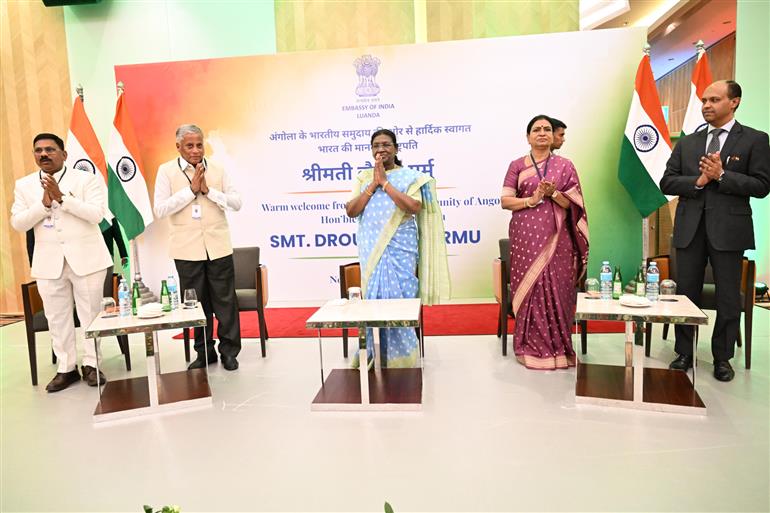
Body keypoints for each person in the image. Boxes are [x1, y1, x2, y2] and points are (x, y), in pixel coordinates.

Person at [660, 80, 770, 382]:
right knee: (685, 293)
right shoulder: (688, 143)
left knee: (728, 298)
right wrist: (698, 182)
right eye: (704, 100)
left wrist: (721, 175)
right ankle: (685, 352)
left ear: (734, 102)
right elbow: (667, 182)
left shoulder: (755, 140)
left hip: (729, 231)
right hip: (690, 229)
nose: (706, 105)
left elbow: (762, 186)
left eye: (714, 100)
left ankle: (722, 358)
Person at [11, 133, 113, 391]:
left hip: (88, 259)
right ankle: (66, 368)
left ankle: (92, 364)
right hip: (48, 263)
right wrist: (43, 205)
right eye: (38, 150)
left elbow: (96, 215)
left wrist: (62, 198)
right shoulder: (24, 185)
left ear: (64, 154)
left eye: (50, 149)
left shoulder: (86, 179)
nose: (43, 154)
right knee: (57, 317)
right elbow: (19, 223)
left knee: (90, 314)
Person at [345, 129, 449, 368]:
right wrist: (373, 184)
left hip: (401, 247)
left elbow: (413, 206)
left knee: (400, 298)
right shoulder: (362, 178)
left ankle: (401, 359)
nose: (380, 149)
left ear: (396, 148)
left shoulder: (411, 176)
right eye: (376, 145)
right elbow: (351, 210)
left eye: (386, 145)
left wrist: (385, 183)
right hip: (372, 248)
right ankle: (373, 353)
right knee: (372, 301)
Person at [500, 115, 589, 370]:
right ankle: (529, 347)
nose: (542, 133)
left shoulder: (566, 165)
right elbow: (506, 201)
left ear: (553, 136)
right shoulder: (517, 165)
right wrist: (532, 199)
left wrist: (553, 194)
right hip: (525, 238)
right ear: (528, 136)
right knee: (531, 290)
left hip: (559, 240)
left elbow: (575, 205)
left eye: (547, 129)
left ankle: (559, 350)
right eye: (536, 129)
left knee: (557, 290)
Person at [153, 124, 242, 371]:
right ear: (178, 147)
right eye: (189, 145)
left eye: (199, 144)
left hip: (218, 246)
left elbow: (236, 202)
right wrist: (190, 191)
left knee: (225, 302)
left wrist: (208, 191)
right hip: (186, 250)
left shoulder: (219, 169)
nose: (195, 150)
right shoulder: (166, 171)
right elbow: (160, 209)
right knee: (195, 304)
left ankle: (229, 352)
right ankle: (204, 353)